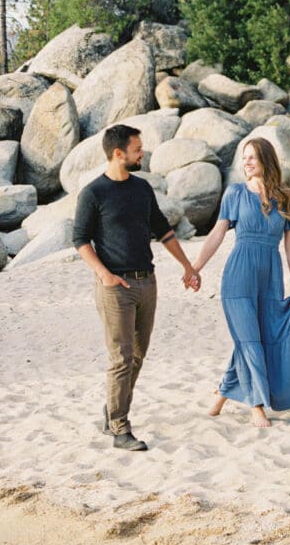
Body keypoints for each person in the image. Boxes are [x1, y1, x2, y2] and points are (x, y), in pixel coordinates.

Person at [73, 123, 200, 451]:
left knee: (138, 356)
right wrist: (103, 274)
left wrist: (187, 266)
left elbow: (164, 231)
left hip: (148, 282)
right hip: (115, 286)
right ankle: (119, 427)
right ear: (118, 154)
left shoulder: (142, 189)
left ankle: (112, 410)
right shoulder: (93, 193)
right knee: (121, 357)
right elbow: (80, 240)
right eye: (137, 149)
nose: (142, 153)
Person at [191, 137, 290, 428]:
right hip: (238, 278)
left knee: (259, 338)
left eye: (251, 157)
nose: (245, 162)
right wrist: (195, 267)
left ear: (266, 160)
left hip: (270, 279)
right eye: (243, 157)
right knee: (249, 340)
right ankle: (256, 405)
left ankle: (223, 392)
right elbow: (217, 234)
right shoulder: (234, 193)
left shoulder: (286, 198)